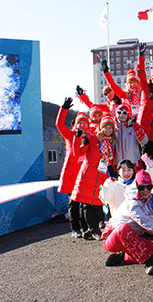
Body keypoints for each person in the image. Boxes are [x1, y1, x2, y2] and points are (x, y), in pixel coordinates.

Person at [56, 98, 88, 238]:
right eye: (79, 123)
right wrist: (63, 109)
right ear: (75, 124)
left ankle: (86, 228)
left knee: (85, 203)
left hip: (84, 175)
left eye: (84, 123)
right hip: (71, 175)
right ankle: (75, 229)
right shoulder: (69, 135)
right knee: (73, 204)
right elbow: (59, 124)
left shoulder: (89, 137)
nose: (81, 125)